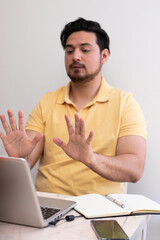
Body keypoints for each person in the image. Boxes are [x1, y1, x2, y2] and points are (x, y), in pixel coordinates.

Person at [0, 18, 147, 196]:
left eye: (85, 50)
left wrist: (91, 159)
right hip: (49, 208)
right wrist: (19, 159)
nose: (75, 56)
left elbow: (135, 169)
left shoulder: (125, 104)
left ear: (104, 56)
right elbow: (26, 161)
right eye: (69, 50)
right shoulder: (47, 102)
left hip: (102, 211)